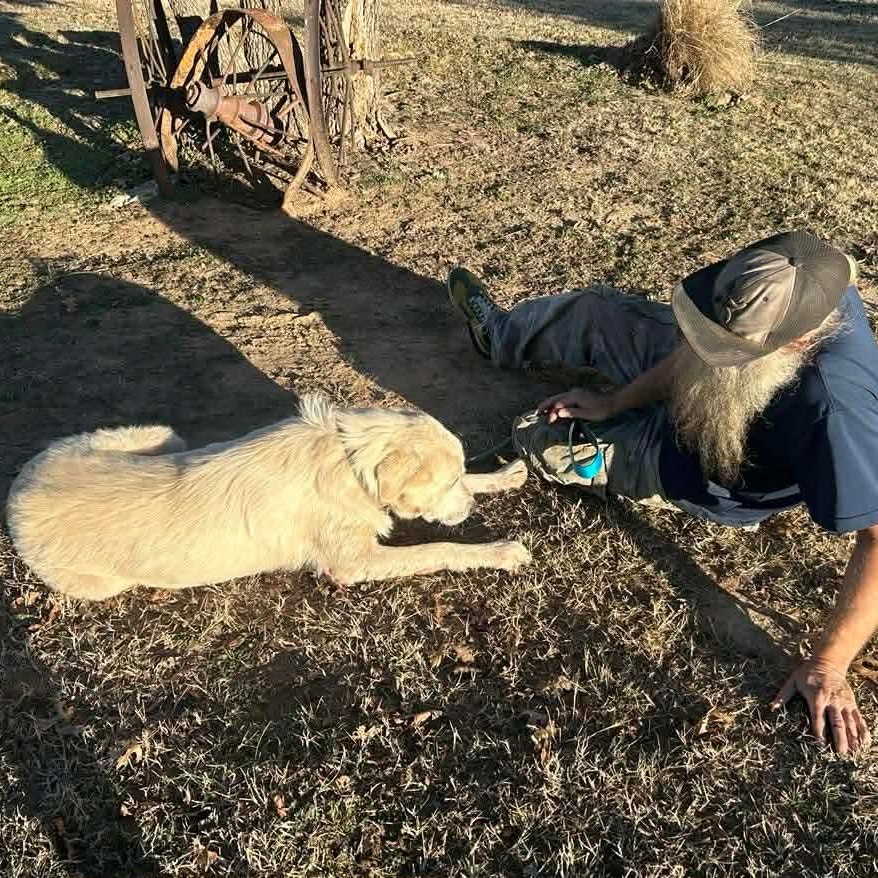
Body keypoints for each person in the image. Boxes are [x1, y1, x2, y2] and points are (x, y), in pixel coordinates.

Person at [448, 231, 878, 755]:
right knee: (593, 312)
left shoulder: (836, 414)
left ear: (796, 343)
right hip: (724, 386)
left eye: (726, 345)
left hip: (693, 469)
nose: (709, 343)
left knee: (539, 434)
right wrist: (614, 402)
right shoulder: (812, 274)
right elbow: (699, 351)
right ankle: (500, 334)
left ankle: (588, 447)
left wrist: (829, 664)